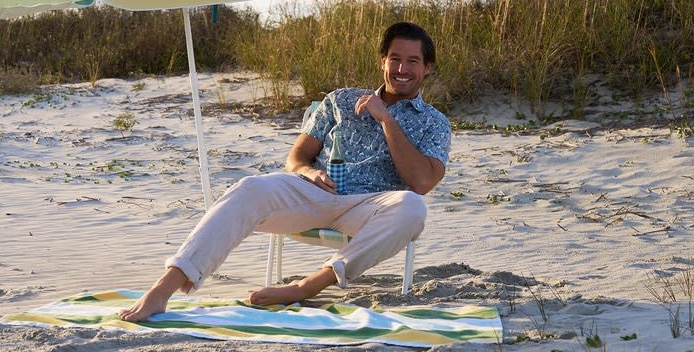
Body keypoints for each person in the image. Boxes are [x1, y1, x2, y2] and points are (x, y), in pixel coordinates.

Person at [118, 21, 451, 321]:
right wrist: (308, 173)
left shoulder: (434, 123)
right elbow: (297, 156)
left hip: (371, 207)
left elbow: (421, 182)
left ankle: (307, 287)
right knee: (250, 188)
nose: (402, 68)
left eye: (412, 61)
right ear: (383, 61)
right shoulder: (340, 100)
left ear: (427, 68)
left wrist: (386, 118)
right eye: (395, 58)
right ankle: (161, 291)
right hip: (316, 193)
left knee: (412, 208)